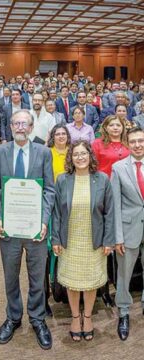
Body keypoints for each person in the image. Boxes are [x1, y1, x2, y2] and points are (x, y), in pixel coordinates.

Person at [0, 109, 55, 350]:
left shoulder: (44, 153)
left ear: (31, 126)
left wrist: (44, 221)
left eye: (24, 124)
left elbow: (49, 190)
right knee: (10, 276)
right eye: (16, 123)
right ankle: (13, 317)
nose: (19, 127)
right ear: (11, 126)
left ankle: (37, 319)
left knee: (37, 278)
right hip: (9, 229)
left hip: (36, 229)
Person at [51, 140, 114, 342]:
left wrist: (108, 241)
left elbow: (109, 214)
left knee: (90, 282)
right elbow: (56, 214)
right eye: (76, 154)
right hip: (70, 240)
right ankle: (75, 318)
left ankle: (87, 317)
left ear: (90, 156)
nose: (80, 157)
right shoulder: (62, 180)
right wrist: (56, 239)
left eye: (83, 153)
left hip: (93, 240)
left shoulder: (102, 179)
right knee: (72, 282)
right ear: (71, 158)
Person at [111, 127, 144, 341]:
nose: (138, 145)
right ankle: (123, 312)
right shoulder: (118, 168)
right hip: (128, 229)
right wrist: (118, 236)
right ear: (127, 144)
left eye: (141, 140)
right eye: (133, 141)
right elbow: (115, 205)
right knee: (124, 275)